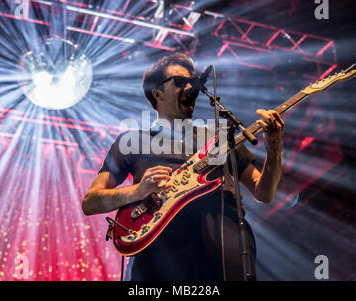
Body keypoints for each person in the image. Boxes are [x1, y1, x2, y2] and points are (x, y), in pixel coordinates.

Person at [82, 52, 284, 281]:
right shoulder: (133, 141)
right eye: (180, 82)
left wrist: (274, 151)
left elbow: (263, 192)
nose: (190, 87)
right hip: (159, 260)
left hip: (223, 254)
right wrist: (137, 191)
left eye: (192, 81)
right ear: (157, 94)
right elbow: (91, 201)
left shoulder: (220, 138)